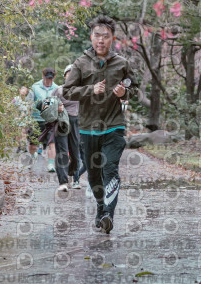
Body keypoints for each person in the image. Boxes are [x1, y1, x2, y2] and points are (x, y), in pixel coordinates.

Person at [63, 15, 137, 234]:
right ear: (91, 37)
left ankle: (108, 215)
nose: (101, 40)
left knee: (110, 168)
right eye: (97, 35)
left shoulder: (122, 63)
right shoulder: (81, 63)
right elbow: (67, 91)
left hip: (114, 126)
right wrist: (90, 90)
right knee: (94, 174)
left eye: (105, 36)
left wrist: (125, 93)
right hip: (88, 128)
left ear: (112, 38)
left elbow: (135, 88)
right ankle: (100, 207)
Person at [52, 64, 82, 191]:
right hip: (61, 122)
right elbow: (46, 105)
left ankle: (70, 173)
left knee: (75, 154)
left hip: (76, 122)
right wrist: (56, 107)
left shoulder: (81, 90)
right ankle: (63, 182)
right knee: (62, 151)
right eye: (68, 73)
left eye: (73, 74)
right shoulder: (58, 90)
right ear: (64, 76)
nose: (71, 76)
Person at [31, 67, 58, 172]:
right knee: (33, 144)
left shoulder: (57, 88)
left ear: (54, 77)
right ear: (43, 76)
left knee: (52, 143)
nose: (48, 81)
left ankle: (50, 164)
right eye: (47, 78)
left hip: (50, 120)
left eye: (50, 78)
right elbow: (29, 102)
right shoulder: (35, 87)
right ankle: (33, 155)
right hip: (36, 119)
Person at [11, 86, 34, 154]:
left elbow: (29, 109)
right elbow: (11, 108)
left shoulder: (27, 100)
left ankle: (23, 147)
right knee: (18, 134)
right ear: (19, 90)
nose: (23, 91)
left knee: (23, 133)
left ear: (26, 92)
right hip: (17, 118)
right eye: (22, 89)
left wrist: (28, 117)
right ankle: (19, 146)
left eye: (25, 90)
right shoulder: (16, 99)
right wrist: (16, 115)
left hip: (25, 119)